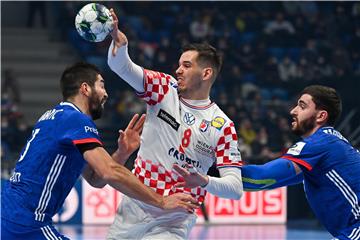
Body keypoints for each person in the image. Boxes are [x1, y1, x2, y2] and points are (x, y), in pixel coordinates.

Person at [1, 62, 198, 240]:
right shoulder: (75, 119)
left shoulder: (53, 116)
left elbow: (95, 179)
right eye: (101, 85)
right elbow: (109, 172)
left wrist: (122, 153)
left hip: (11, 212)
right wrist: (161, 201)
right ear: (85, 89)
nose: (106, 93)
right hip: (24, 220)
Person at [106, 9, 243, 239]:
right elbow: (122, 67)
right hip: (135, 205)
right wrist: (120, 46)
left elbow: (235, 189)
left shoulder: (223, 126)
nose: (178, 70)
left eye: (187, 65)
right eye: (179, 64)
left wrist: (205, 181)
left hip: (175, 218)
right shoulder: (163, 89)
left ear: (206, 73)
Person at [177, 85, 360, 240]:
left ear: (321, 116)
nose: (293, 111)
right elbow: (263, 183)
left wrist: (207, 168)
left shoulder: (319, 144)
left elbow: (263, 177)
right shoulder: (329, 146)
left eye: (302, 106)